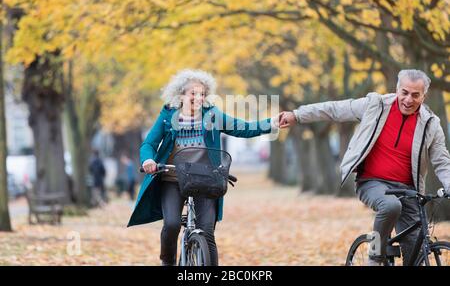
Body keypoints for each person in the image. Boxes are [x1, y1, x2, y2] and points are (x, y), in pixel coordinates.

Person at [279, 69, 450, 265]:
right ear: (397, 90)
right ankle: (375, 256)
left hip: (409, 190)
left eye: (415, 95)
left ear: (423, 96)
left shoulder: (430, 123)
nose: (408, 99)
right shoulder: (375, 106)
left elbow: (442, 162)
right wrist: (297, 115)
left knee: (417, 252)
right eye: (404, 92)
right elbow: (334, 109)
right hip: (372, 182)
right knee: (391, 205)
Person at [127, 69, 279, 266]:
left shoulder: (212, 115)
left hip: (205, 179)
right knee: (172, 224)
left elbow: (244, 127)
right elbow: (148, 144)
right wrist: (148, 160)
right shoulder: (167, 115)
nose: (198, 98)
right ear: (181, 95)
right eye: (193, 93)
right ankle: (168, 262)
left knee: (207, 232)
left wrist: (272, 122)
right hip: (172, 178)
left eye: (202, 94)